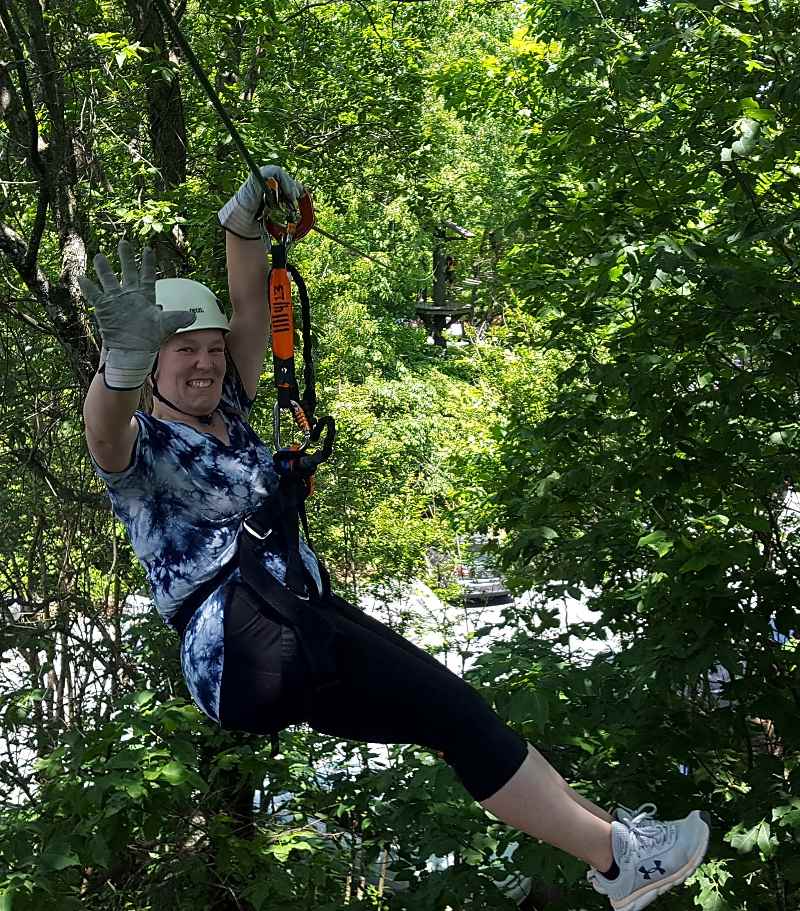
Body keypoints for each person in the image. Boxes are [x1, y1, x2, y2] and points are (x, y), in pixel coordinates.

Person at [80, 165, 710, 910]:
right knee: (451, 710)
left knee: (456, 715)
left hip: (293, 626)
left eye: (212, 348)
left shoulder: (231, 413)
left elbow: (251, 304)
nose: (208, 361)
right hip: (243, 645)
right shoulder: (145, 448)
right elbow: (103, 428)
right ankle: (620, 859)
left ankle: (615, 851)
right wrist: (117, 366)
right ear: (153, 365)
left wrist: (244, 219)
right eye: (185, 351)